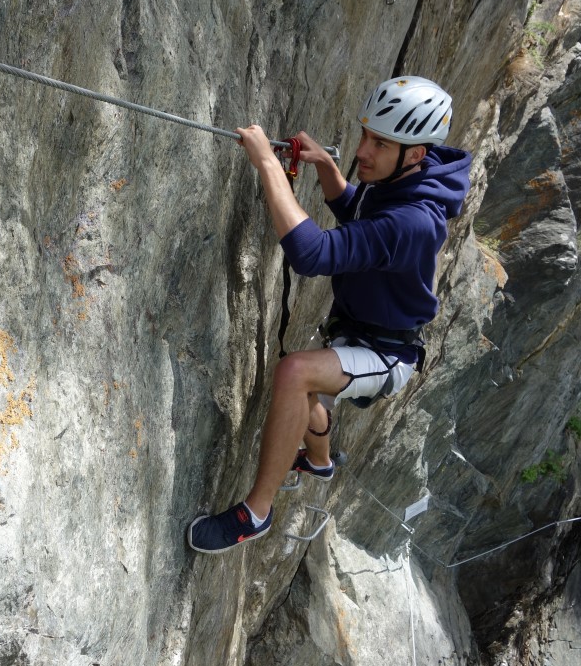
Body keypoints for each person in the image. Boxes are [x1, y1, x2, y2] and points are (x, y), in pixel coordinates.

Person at [187, 76, 472, 554]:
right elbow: (357, 212)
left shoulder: (415, 219)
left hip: (386, 351)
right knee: (311, 395)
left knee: (297, 373)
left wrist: (266, 165)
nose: (363, 151)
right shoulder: (403, 178)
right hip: (357, 330)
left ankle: (255, 514)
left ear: (415, 153)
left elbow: (312, 254)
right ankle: (319, 462)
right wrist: (324, 167)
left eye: (379, 143)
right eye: (365, 135)